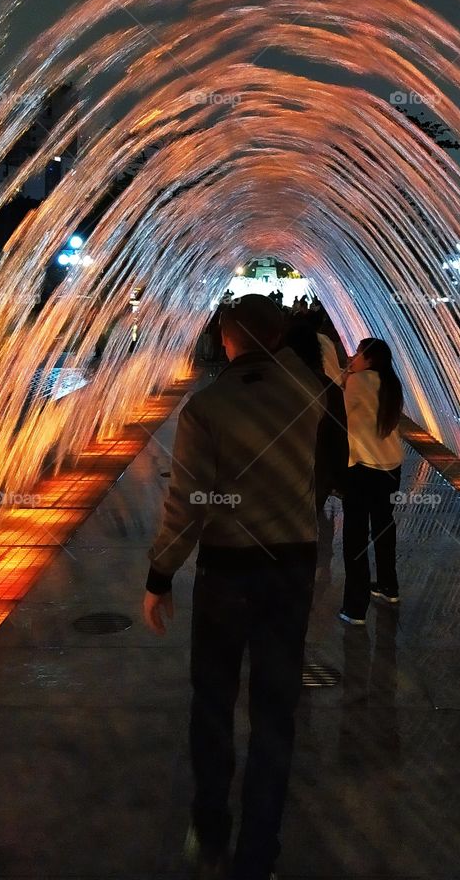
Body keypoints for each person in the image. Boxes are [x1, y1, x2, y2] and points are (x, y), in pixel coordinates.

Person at [143, 294, 325, 880]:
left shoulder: (206, 408)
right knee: (276, 711)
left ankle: (212, 823)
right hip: (291, 569)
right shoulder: (315, 395)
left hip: (227, 573)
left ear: (227, 341)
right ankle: (259, 853)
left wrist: (160, 574)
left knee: (214, 700)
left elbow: (188, 503)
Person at [339, 338, 404, 625]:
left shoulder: (358, 382)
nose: (352, 357)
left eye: (357, 353)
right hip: (391, 467)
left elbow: (338, 414)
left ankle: (355, 608)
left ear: (370, 359)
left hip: (363, 467)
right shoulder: (391, 383)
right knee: (383, 526)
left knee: (355, 536)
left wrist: (344, 379)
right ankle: (389, 586)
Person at [283, 320, 349, 512]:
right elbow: (338, 437)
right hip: (316, 476)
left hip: (278, 478)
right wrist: (341, 479)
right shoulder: (329, 388)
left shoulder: (274, 382)